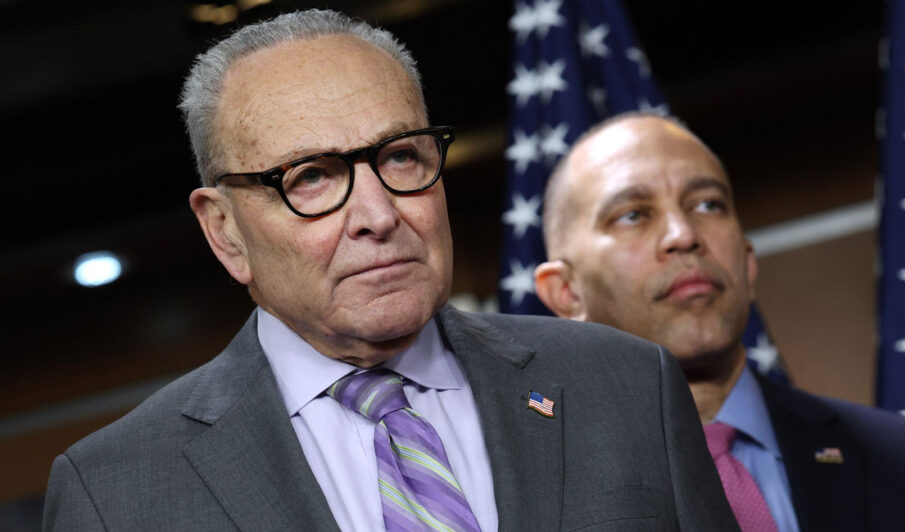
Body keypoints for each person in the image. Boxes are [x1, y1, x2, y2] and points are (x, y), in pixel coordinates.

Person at [41, 10, 739, 532]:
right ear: (224, 230)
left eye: (401, 157)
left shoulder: (625, 386)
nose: (378, 213)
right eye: (310, 177)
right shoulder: (116, 493)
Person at [534, 112, 905, 532]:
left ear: (747, 263)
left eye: (708, 204)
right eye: (633, 214)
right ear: (566, 292)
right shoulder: (519, 500)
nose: (684, 236)